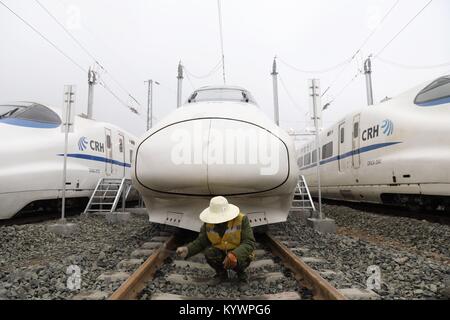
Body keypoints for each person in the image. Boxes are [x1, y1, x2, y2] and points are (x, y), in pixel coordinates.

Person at [176, 196, 256, 282]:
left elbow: (249, 242)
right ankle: (221, 274)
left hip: (238, 252)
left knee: (242, 258)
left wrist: (235, 255)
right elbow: (201, 242)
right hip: (220, 251)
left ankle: (241, 273)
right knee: (209, 252)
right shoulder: (208, 223)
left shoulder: (241, 219)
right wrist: (188, 250)